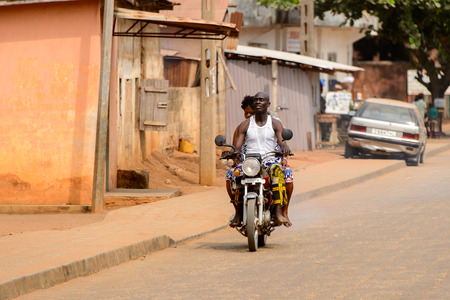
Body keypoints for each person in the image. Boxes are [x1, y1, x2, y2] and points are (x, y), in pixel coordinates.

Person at [225, 96, 294, 227]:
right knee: (232, 174)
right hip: (249, 161)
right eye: (256, 100)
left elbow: (281, 141)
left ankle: (279, 212)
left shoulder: (275, 123)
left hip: (269, 160)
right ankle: (238, 212)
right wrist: (232, 153)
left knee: (278, 172)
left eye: (261, 100)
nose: (258, 102)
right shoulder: (244, 125)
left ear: (268, 104)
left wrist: (285, 148)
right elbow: (237, 146)